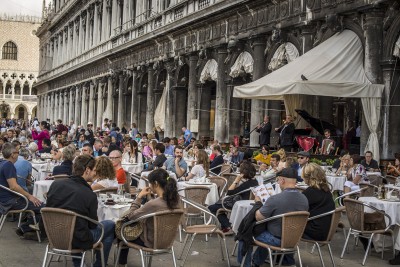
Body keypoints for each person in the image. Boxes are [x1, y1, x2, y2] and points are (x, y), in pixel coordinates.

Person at [46, 155, 115, 267]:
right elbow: (92, 225)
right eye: (94, 171)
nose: (95, 174)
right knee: (110, 225)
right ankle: (99, 264)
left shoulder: (55, 184)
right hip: (78, 240)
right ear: (87, 170)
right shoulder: (88, 194)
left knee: (78, 226)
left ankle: (79, 263)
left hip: (54, 235)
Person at [238, 168, 309, 267]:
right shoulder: (304, 198)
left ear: (282, 180)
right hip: (294, 239)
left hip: (276, 239)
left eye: (278, 180)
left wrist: (258, 203)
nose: (278, 183)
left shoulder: (275, 199)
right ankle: (256, 262)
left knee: (245, 232)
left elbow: (259, 217)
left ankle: (245, 265)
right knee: (264, 231)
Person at [116, 168, 181, 265]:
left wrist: (139, 197)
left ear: (155, 183)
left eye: (150, 183)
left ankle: (121, 264)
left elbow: (131, 216)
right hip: (168, 242)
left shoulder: (153, 204)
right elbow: (159, 205)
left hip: (149, 242)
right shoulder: (176, 200)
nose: (149, 185)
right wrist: (150, 198)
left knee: (121, 233)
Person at [0, 143, 43, 238]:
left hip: (3, 200)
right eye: (17, 153)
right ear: (13, 154)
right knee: (44, 208)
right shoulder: (8, 165)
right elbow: (14, 187)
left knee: (37, 206)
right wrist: (29, 196)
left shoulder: (2, 163)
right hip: (11, 202)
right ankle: (30, 229)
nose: (18, 155)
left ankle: (27, 228)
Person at [208, 161, 258, 234]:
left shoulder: (247, 184)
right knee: (217, 205)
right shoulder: (254, 181)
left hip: (237, 203)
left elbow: (229, 192)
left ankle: (227, 226)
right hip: (245, 202)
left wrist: (236, 180)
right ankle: (225, 226)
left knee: (212, 207)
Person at [301, 163, 335, 241]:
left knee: (284, 225)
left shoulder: (310, 192)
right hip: (326, 230)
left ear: (308, 177)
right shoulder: (326, 189)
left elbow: (296, 209)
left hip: (315, 232)